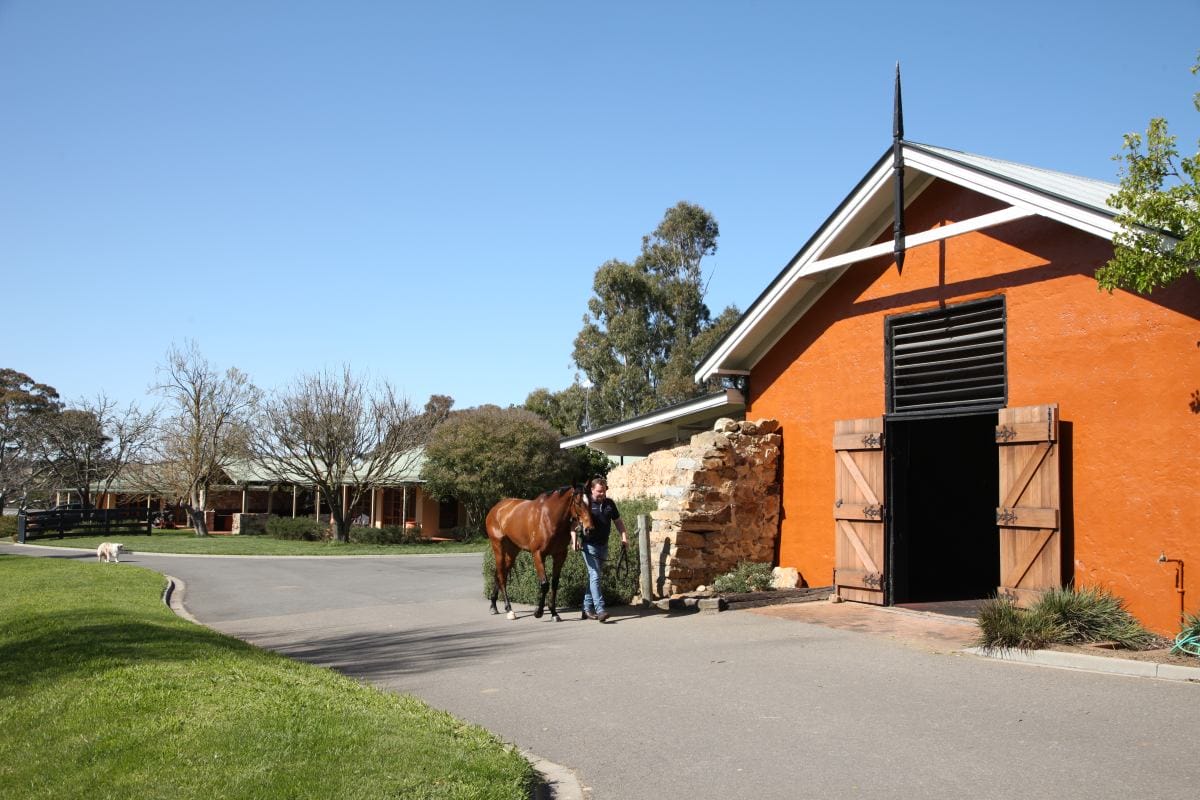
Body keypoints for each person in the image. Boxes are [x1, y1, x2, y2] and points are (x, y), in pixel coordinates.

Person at [574, 477, 628, 623]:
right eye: (599, 491)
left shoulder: (609, 504)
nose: (602, 494)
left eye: (604, 491)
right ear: (592, 490)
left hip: (603, 545)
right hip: (589, 545)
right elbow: (573, 523)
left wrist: (624, 537)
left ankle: (586, 608)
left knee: (594, 577)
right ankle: (600, 610)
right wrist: (575, 540)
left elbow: (618, 522)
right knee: (595, 575)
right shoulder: (586, 503)